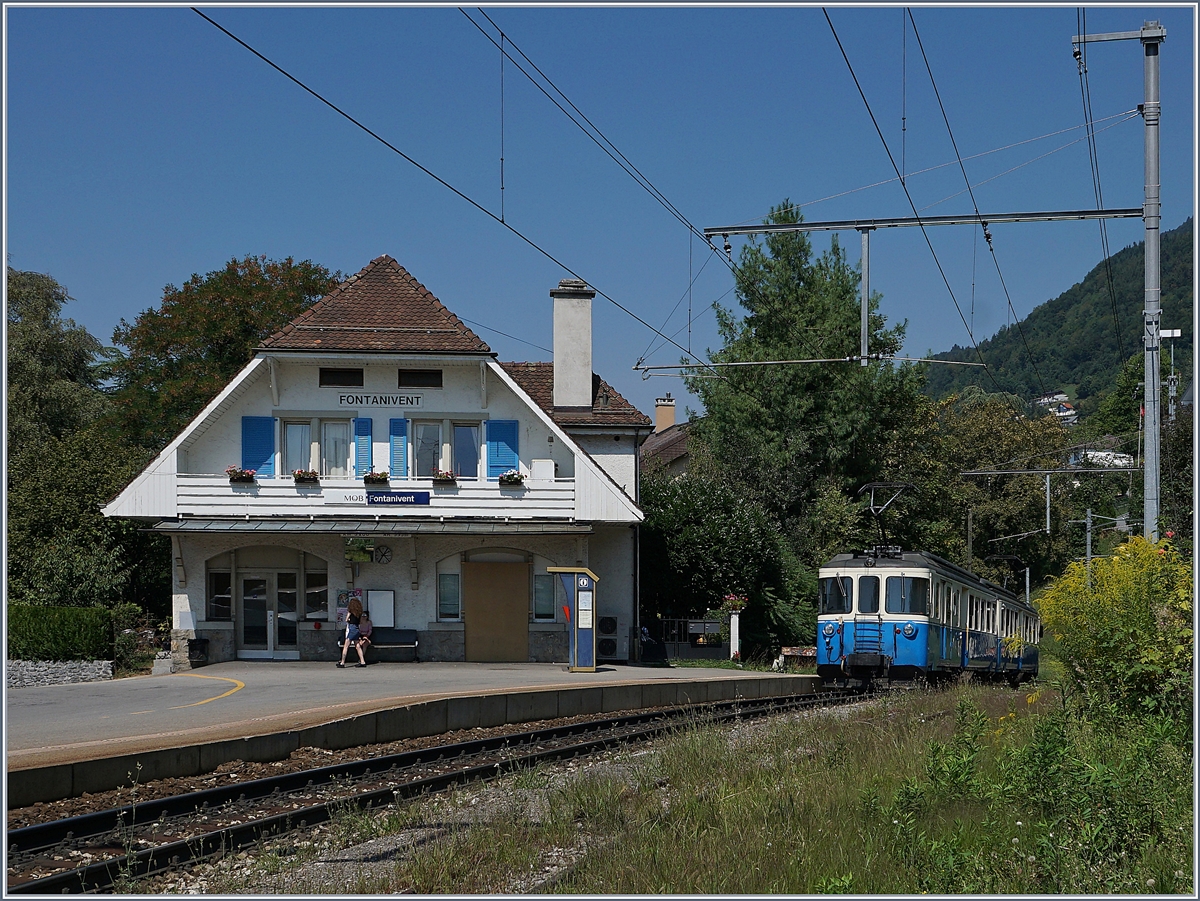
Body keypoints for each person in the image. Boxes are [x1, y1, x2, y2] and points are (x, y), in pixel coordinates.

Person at [337, 596, 364, 668]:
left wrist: (349, 620)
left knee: (346, 646)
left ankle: (342, 662)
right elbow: (361, 622)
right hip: (357, 628)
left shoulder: (350, 611)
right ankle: (362, 661)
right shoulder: (359, 612)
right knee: (357, 645)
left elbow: (346, 619)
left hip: (352, 628)